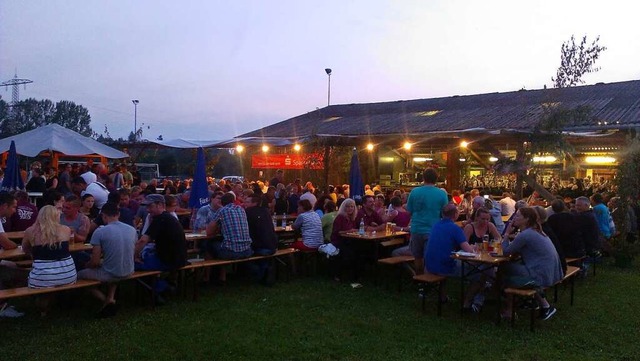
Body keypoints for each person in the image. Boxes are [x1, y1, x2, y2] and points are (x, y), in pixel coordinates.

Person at [501, 207, 563, 321]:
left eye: (518, 216)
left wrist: (506, 234)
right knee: (510, 268)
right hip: (552, 272)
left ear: (527, 219)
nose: (514, 218)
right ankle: (543, 305)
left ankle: (508, 310)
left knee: (504, 270)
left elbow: (505, 252)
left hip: (541, 275)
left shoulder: (526, 234)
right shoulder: (537, 231)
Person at [78, 202, 136, 317]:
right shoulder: (132, 230)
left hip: (110, 273)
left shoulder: (100, 232)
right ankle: (111, 298)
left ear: (103, 216)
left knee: (79, 275)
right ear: (118, 214)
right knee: (110, 266)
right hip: (129, 270)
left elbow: (94, 262)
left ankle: (105, 300)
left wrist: (87, 264)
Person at [424, 204, 476, 303]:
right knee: (479, 274)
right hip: (444, 267)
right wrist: (473, 247)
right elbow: (468, 250)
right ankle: (468, 302)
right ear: (456, 214)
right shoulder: (455, 228)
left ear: (442, 214)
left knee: (445, 258)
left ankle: (443, 297)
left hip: (428, 265)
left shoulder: (435, 225)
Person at [22, 206, 77, 290]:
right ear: (56, 216)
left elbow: (25, 248)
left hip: (42, 278)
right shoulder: (66, 230)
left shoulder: (30, 231)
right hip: (68, 275)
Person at [405, 168, 449, 275]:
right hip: (433, 230)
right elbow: (446, 213)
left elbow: (409, 211)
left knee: (417, 257)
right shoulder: (441, 194)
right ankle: (428, 281)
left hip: (416, 229)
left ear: (423, 178)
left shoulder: (414, 192)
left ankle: (419, 279)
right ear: (436, 179)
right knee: (429, 257)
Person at [207, 192, 253, 282]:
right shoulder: (241, 209)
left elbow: (209, 232)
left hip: (231, 252)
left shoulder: (222, 210)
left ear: (222, 203)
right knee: (224, 243)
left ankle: (208, 277)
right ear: (233, 201)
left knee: (208, 245)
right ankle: (222, 276)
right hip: (247, 250)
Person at [135, 194, 187, 272]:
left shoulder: (160, 219)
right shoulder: (169, 217)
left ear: (160, 205)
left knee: (134, 263)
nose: (147, 210)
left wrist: (134, 256)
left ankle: (154, 283)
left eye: (150, 206)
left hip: (167, 262)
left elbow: (143, 241)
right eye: (147, 207)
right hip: (180, 260)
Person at [244, 194, 278, 283]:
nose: (245, 204)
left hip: (260, 247)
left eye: (247, 202)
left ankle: (260, 273)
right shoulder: (266, 211)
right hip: (273, 245)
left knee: (243, 253)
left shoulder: (248, 212)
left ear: (255, 203)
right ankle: (266, 271)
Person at [330, 198, 360, 282]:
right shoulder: (340, 217)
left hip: (349, 240)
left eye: (352, 207)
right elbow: (337, 232)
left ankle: (356, 274)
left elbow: (355, 229)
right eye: (348, 207)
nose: (350, 208)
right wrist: (349, 231)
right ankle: (341, 275)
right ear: (344, 207)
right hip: (338, 241)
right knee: (349, 252)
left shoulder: (352, 218)